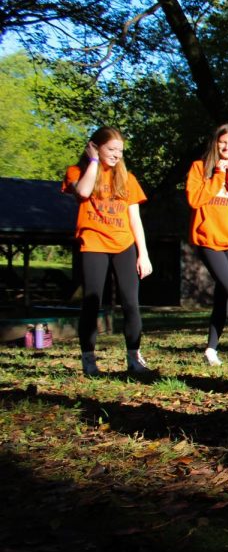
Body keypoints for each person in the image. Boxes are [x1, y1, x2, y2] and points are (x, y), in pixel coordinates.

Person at [62, 126, 153, 376]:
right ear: (96, 146)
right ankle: (89, 360)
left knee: (131, 303)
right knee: (92, 302)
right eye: (111, 149)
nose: (116, 155)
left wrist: (142, 253)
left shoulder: (127, 178)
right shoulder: (77, 171)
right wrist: (93, 161)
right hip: (93, 243)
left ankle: (134, 358)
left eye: (120, 151)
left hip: (124, 244)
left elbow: (135, 219)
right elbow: (82, 192)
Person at [186, 123, 228, 367]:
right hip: (208, 239)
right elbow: (195, 199)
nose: (226, 147)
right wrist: (217, 176)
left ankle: (211, 349)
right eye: (223, 142)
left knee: (224, 294)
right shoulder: (199, 168)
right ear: (215, 143)